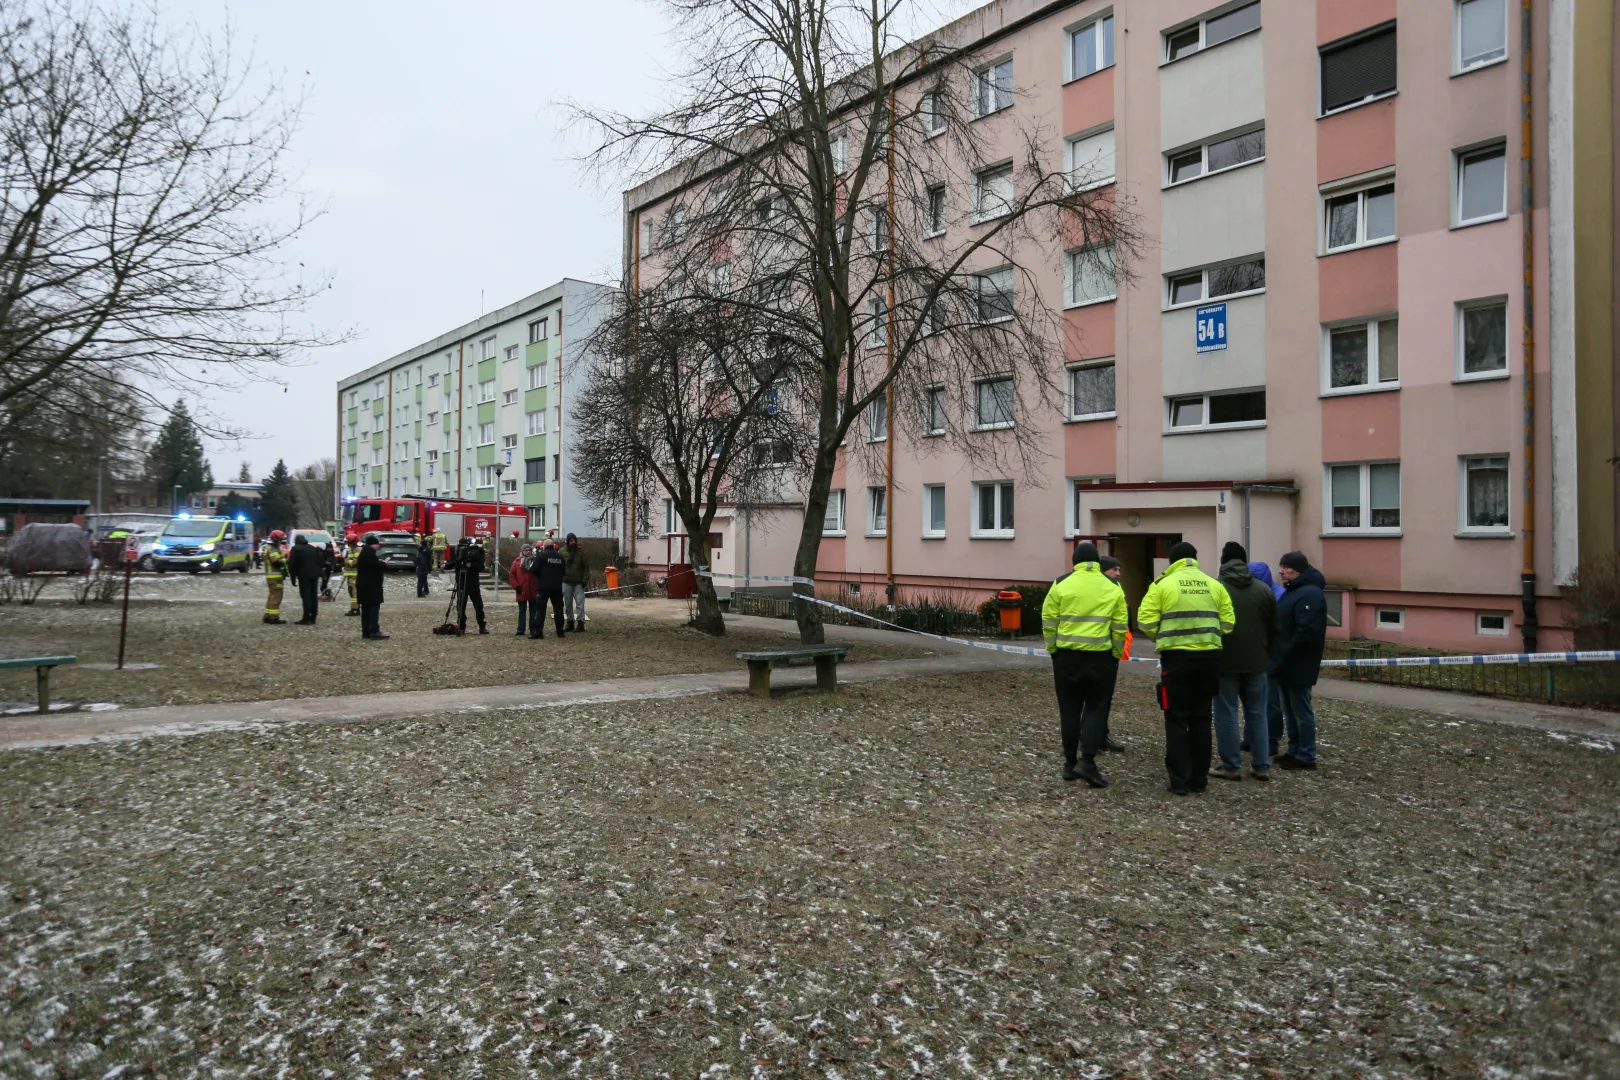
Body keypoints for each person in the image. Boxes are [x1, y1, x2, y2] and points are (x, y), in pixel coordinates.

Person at [1136, 541, 1235, 796]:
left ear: (1172, 561)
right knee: (1202, 718)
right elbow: (1228, 623)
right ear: (1195, 559)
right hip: (1209, 659)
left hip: (1176, 660)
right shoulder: (1215, 585)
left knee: (1177, 718)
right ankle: (1199, 779)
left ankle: (1179, 780)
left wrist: (1163, 636)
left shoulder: (1162, 585)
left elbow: (1144, 620)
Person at [1041, 542, 1129, 788]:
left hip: (1066, 658)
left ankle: (1069, 764)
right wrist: (1115, 653)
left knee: (1069, 710)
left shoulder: (1061, 583)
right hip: (1101, 658)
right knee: (1096, 709)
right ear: (1098, 563)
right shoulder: (1112, 586)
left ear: (1075, 560)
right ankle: (1087, 761)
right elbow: (1120, 625)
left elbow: (1048, 618)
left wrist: (1053, 650)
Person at [1211, 542, 1278, 782]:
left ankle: (1231, 765)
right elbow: (1274, 628)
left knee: (1226, 712)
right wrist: (1265, 654)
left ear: (1223, 561)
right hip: (1257, 662)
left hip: (1223, 661)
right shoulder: (1264, 590)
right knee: (1257, 713)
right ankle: (1261, 765)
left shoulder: (1215, 588)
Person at [1271, 550, 1327, 770]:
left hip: (1298, 664)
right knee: (1291, 711)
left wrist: (1285, 656)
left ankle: (1306, 754)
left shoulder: (1309, 594)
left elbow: (1306, 632)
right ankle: (1294, 750)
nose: (1282, 571)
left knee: (1301, 710)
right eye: (1281, 567)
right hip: (1286, 663)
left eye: (1286, 567)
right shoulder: (1294, 591)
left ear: (1298, 569)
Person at [529, 540, 567, 639]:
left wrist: (540, 576)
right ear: (553, 546)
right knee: (558, 609)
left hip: (543, 586)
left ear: (544, 546)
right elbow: (563, 571)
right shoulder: (559, 556)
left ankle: (538, 632)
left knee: (540, 609)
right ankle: (560, 631)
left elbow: (534, 569)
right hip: (557, 587)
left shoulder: (541, 555)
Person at [450, 537, 488, 634]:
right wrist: (447, 565)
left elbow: (481, 566)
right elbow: (454, 563)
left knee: (478, 606)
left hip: (473, 583)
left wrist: (471, 565)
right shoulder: (456, 551)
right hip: (461, 582)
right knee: (461, 606)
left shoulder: (477, 551)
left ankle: (482, 626)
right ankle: (461, 626)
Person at [286, 534, 324, 625]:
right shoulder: (312, 548)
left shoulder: (295, 549)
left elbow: (292, 564)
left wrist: (293, 578)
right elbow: (319, 561)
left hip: (304, 575)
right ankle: (313, 617)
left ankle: (306, 618)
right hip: (314, 575)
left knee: (306, 596)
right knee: (313, 596)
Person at [356, 532, 389, 639]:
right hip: (372, 586)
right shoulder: (369, 554)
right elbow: (374, 567)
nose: (378, 546)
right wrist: (383, 564)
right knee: (374, 607)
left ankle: (366, 631)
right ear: (373, 544)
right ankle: (374, 631)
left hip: (363, 585)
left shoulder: (364, 552)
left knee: (365, 609)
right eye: (377, 544)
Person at [561, 533, 590, 632]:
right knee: (568, 604)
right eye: (571, 540)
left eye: (574, 540)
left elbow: (586, 568)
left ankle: (581, 623)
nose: (573, 542)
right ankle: (570, 623)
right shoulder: (562, 552)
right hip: (566, 581)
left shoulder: (581, 552)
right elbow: (559, 566)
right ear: (568, 541)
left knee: (580, 604)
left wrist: (585, 580)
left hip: (578, 582)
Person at [510, 544, 539, 635]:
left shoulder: (535, 561)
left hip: (533, 589)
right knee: (522, 610)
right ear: (522, 551)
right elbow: (512, 575)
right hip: (521, 589)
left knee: (533, 611)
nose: (528, 551)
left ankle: (533, 629)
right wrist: (516, 586)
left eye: (529, 550)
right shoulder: (517, 562)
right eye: (526, 550)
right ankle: (521, 629)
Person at [262, 531, 288, 624]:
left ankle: (267, 616)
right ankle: (273, 618)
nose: (281, 542)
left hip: (272, 577)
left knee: (271, 596)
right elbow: (277, 562)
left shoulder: (269, 548)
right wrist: (286, 559)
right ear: (276, 539)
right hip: (275, 577)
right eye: (281, 540)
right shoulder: (272, 549)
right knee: (276, 597)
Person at [342, 538, 361, 616]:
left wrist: (348, 561)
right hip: (350, 575)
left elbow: (355, 561)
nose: (347, 544)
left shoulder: (358, 550)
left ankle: (355, 609)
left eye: (348, 542)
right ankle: (355, 608)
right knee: (351, 592)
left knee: (354, 593)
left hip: (355, 575)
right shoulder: (350, 550)